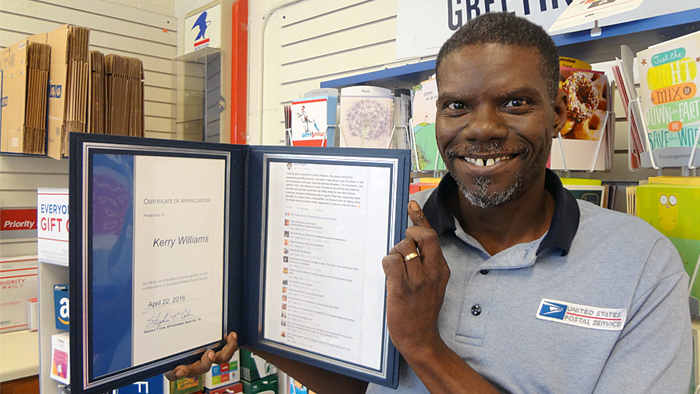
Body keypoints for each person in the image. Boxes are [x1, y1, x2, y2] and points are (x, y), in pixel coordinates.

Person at [166, 12, 692, 393]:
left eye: (515, 102)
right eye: (457, 106)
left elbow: (414, 353)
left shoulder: (642, 264)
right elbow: (362, 386)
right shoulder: (384, 223)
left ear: (556, 115)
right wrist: (248, 333)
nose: (482, 128)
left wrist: (424, 347)